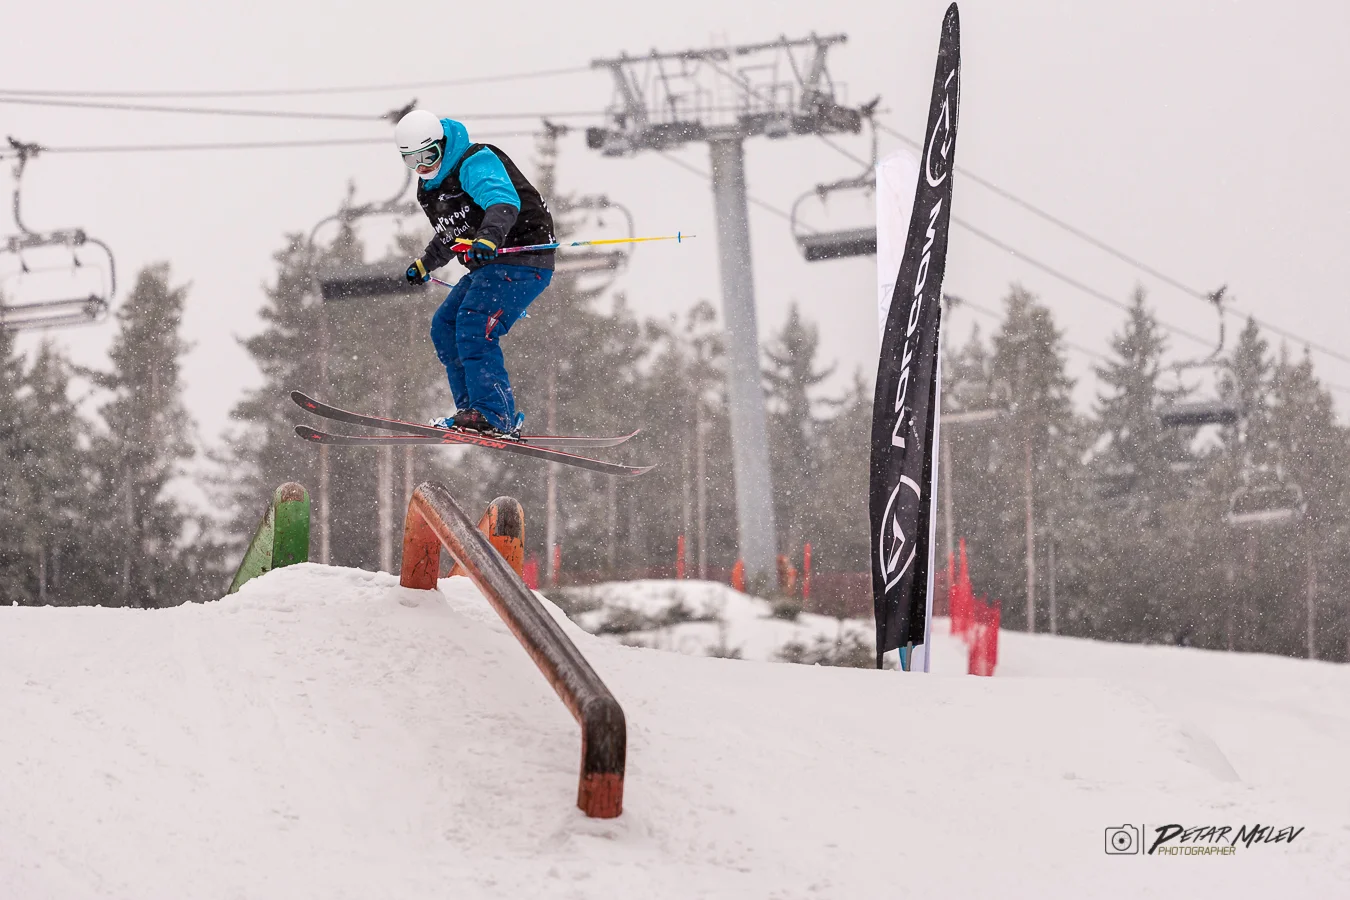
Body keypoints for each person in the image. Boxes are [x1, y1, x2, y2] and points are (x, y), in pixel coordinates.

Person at [397, 109, 555, 437]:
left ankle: (495, 414)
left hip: (522, 258)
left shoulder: (474, 161)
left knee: (473, 324)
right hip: (489, 267)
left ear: (442, 144)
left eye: (428, 156)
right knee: (445, 325)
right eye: (412, 161)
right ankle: (473, 410)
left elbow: (502, 202)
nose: (423, 167)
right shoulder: (430, 190)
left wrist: (488, 237)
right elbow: (450, 234)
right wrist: (425, 264)